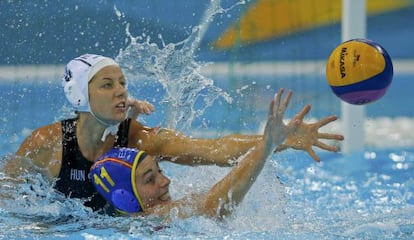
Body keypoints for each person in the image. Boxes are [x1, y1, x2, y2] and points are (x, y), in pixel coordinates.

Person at [3, 54, 343, 213]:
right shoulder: (46, 146)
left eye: (122, 82)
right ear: (80, 96)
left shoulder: (140, 138)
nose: (121, 91)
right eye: (107, 85)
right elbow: (8, 194)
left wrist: (277, 140)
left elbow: (215, 150)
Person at [90, 89, 303, 218]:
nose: (166, 181)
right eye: (150, 179)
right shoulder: (152, 219)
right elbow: (215, 207)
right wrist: (266, 146)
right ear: (125, 199)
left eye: (159, 171)